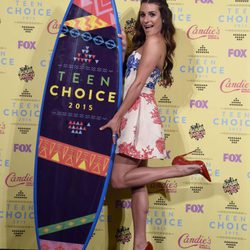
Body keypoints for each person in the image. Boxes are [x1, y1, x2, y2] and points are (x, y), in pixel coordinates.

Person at [100, 1, 211, 249]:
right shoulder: (148, 43)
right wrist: (126, 49)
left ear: (163, 17)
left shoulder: (154, 42)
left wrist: (118, 117)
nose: (146, 19)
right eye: (143, 14)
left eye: (152, 14)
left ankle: (185, 169)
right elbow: (131, 77)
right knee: (137, 183)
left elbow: (138, 85)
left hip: (136, 113)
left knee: (119, 180)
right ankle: (141, 245)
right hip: (139, 111)